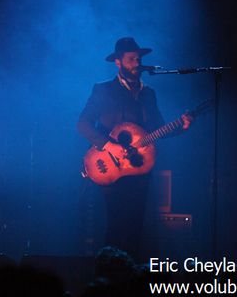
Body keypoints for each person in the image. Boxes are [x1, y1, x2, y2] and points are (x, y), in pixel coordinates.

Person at [77, 37, 192, 259]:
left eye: (138, 59)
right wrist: (110, 145)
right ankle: (107, 278)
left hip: (138, 170)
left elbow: (158, 128)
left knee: (135, 228)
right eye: (131, 59)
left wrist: (181, 127)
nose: (136, 63)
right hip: (108, 167)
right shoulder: (103, 90)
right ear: (118, 62)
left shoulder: (149, 93)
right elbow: (82, 124)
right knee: (112, 225)